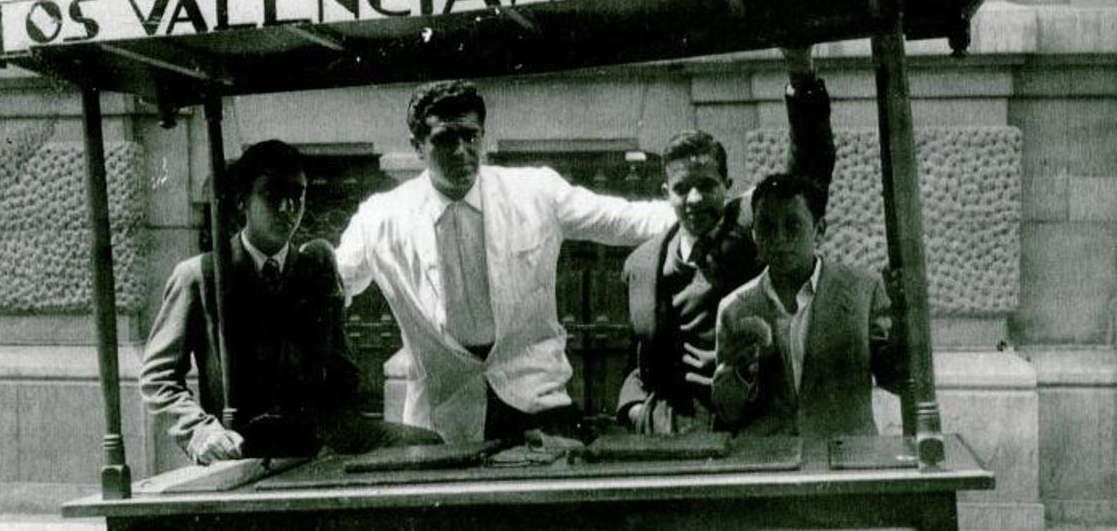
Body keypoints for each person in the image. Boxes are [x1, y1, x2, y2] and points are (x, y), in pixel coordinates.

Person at [336, 80, 676, 443]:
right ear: (416, 146)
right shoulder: (380, 218)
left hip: (537, 400)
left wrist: (720, 210)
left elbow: (626, 220)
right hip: (441, 418)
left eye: (471, 137)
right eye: (444, 138)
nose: (461, 151)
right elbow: (330, 284)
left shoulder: (535, 192)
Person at [138, 140, 441, 465]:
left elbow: (343, 372)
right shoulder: (201, 276)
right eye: (273, 195)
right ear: (242, 202)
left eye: (296, 195)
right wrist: (200, 432)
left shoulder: (315, 270)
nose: (288, 208)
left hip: (319, 440)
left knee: (427, 446)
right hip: (242, 446)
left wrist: (336, 426)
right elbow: (158, 378)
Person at [615, 47, 836, 434]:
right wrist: (635, 410)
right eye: (682, 188)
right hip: (679, 437)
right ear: (665, 191)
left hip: (756, 430)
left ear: (727, 186)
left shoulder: (754, 226)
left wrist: (801, 76)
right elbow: (636, 357)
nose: (695, 199)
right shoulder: (643, 264)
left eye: (707, 186)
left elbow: (810, 167)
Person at [711, 173, 909, 438]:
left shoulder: (863, 291)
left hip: (843, 460)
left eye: (793, 226)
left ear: (819, 231)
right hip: (770, 463)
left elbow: (898, 379)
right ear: (754, 235)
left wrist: (904, 315)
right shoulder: (736, 308)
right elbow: (726, 410)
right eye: (767, 227)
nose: (779, 239)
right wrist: (743, 371)